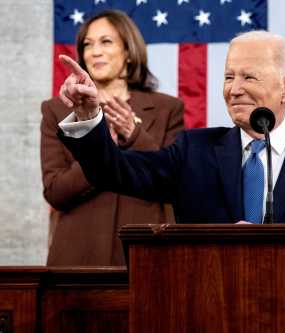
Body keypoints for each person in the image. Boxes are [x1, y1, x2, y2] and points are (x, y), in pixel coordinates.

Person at [55, 30, 285, 225]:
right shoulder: (193, 152)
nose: (234, 89)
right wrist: (89, 115)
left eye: (249, 77)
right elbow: (113, 171)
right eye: (229, 77)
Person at [41, 10, 184, 266]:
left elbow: (173, 182)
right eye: (88, 44)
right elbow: (55, 192)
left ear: (128, 51)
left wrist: (134, 134)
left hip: (147, 256)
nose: (95, 51)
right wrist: (95, 142)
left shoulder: (168, 109)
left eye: (106, 42)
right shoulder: (57, 110)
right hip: (78, 258)